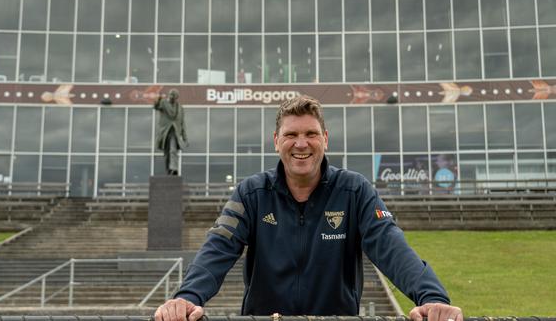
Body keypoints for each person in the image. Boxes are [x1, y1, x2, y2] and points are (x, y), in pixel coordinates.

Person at [154, 95, 462, 321]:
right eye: (291, 135)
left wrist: (432, 298)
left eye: (311, 134)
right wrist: (186, 298)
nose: (301, 143)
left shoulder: (355, 191)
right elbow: (217, 249)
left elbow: (392, 247)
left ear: (325, 139)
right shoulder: (251, 193)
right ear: (277, 141)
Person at [154, 88, 187, 176]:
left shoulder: (180, 108)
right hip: (165, 132)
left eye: (174, 96)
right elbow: (156, 107)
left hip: (175, 132)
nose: (172, 97)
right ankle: (169, 170)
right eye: (171, 95)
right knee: (167, 153)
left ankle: (174, 168)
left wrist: (185, 138)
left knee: (173, 150)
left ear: (177, 98)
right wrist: (158, 99)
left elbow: (182, 123)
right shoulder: (163, 103)